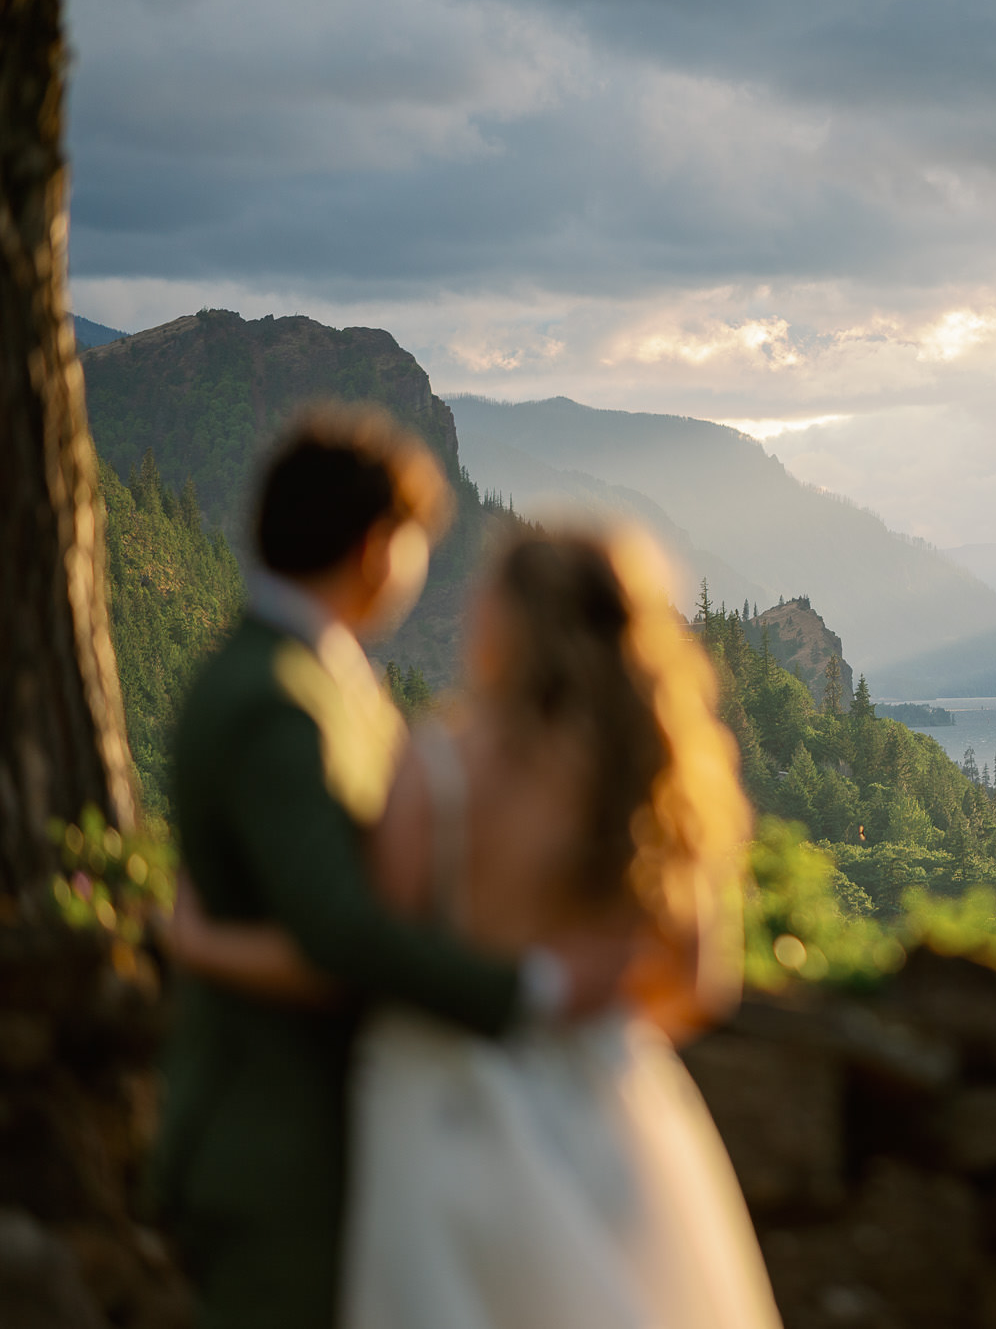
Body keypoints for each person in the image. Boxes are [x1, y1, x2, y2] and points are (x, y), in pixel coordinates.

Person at [167, 516, 782, 1328]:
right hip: (608, 1107)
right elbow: (701, 983)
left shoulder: (439, 768)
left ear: (507, 625)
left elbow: (366, 956)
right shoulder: (654, 776)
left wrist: (202, 942)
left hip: (440, 1109)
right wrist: (577, 1031)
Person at [155, 407, 634, 1329]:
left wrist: (204, 943)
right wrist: (529, 986)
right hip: (275, 1147)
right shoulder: (272, 700)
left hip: (353, 1136)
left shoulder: (318, 675)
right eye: (417, 543)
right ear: (379, 546)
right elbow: (338, 927)